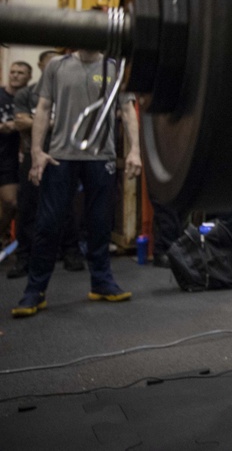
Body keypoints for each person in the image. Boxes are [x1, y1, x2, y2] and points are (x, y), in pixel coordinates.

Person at [11, 50, 142, 317]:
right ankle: (35, 291)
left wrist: (135, 151)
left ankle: (102, 282)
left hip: (100, 156)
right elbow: (44, 109)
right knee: (48, 224)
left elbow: (127, 110)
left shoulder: (114, 67)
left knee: (100, 223)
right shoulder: (57, 66)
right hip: (61, 156)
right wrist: (37, 151)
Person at [8, 51, 59, 279]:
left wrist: (37, 121)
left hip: (61, 155)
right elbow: (20, 122)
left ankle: (68, 253)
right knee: (27, 208)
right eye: (48, 64)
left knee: (63, 209)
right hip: (32, 154)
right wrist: (54, 122)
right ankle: (23, 258)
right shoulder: (27, 93)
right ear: (40, 66)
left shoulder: (65, 93)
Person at [1, 62, 32, 252]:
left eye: (20, 73)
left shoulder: (29, 97)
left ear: (29, 76)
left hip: (11, 158)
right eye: (12, 72)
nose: (15, 76)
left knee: (11, 202)